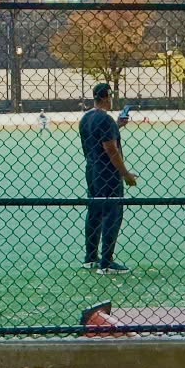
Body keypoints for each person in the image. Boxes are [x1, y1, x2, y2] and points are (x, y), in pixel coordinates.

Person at [79, 82, 137, 275]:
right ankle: (107, 262)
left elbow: (97, 141)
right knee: (112, 213)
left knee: (94, 212)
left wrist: (117, 126)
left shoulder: (86, 118)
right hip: (108, 173)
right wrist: (125, 173)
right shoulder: (106, 120)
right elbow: (111, 149)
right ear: (106, 97)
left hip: (92, 170)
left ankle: (91, 257)